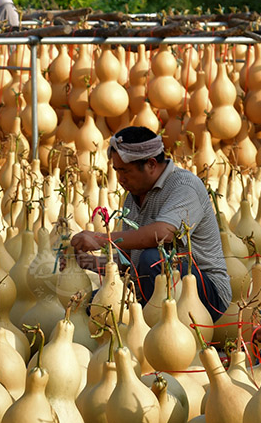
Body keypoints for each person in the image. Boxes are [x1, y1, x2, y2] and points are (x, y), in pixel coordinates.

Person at [70, 125, 232, 321]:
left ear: (151, 164)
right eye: (117, 171)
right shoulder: (133, 196)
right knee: (94, 304)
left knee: (153, 258)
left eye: (125, 171)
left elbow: (163, 234)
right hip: (151, 286)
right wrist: (87, 263)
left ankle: (156, 330)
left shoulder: (184, 186)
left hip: (207, 295)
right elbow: (129, 263)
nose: (120, 179)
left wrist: (100, 238)